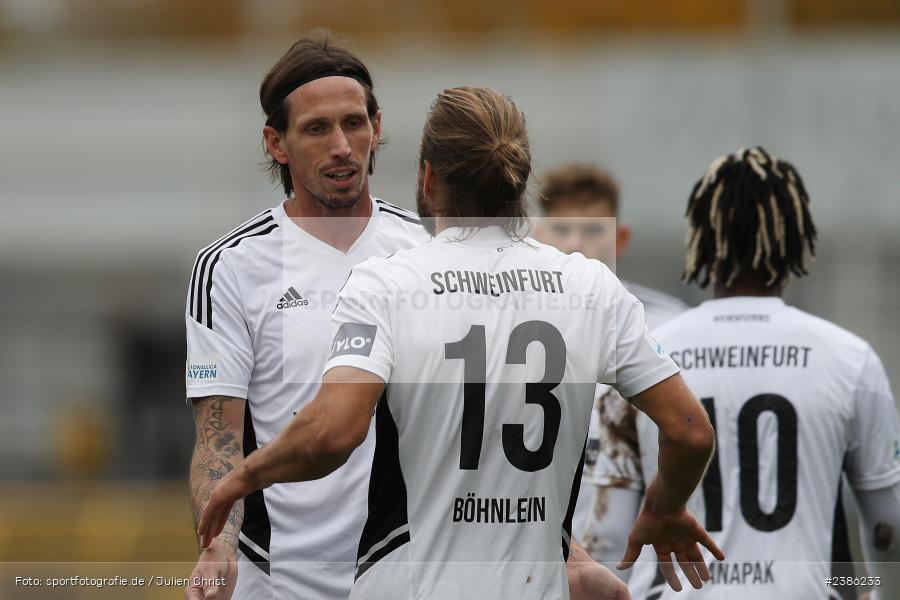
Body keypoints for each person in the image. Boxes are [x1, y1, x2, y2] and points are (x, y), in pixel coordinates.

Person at [197, 86, 723, 599]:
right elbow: (691, 432)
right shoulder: (591, 287)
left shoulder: (387, 282)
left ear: (428, 178)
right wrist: (666, 508)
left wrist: (244, 476)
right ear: (521, 180)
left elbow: (332, 434)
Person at [183, 33, 427, 600]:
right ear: (277, 143)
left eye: (354, 123)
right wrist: (218, 546)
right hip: (273, 579)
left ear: (377, 127)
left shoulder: (427, 250)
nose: (341, 146)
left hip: (405, 575)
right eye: (317, 129)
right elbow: (219, 436)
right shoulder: (229, 267)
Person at [614, 147, 900, 599]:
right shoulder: (849, 358)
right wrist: (869, 592)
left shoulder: (647, 352)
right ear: (796, 238)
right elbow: (888, 529)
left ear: (702, 237)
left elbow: (608, 523)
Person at [535, 165, 689, 565]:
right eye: (562, 229)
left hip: (634, 565)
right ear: (538, 235)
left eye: (592, 230)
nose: (575, 243)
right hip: (539, 565)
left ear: (620, 238)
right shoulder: (515, 329)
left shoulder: (669, 326)